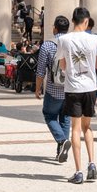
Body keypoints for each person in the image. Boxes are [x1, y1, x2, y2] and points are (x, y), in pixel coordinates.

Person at [57, 6, 97, 184]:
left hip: (73, 88)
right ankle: (92, 163)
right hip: (90, 88)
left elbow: (62, 65)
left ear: (73, 21)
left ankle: (78, 171)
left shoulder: (64, 39)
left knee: (75, 129)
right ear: (86, 21)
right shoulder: (95, 40)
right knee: (88, 127)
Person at [35, 15, 73, 163]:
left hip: (53, 89)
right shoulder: (72, 44)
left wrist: (38, 89)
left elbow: (40, 71)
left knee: (49, 115)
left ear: (54, 28)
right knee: (65, 118)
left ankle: (62, 141)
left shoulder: (48, 45)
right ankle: (61, 150)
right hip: (70, 89)